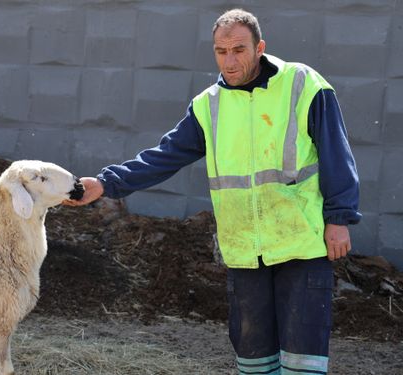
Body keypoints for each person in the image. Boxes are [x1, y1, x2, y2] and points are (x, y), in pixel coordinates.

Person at [64, 8, 360, 375]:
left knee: (302, 362)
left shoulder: (303, 85)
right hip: (244, 251)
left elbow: (336, 152)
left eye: (239, 49)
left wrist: (340, 218)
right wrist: (107, 183)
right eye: (221, 52)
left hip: (300, 242)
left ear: (260, 47)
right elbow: (164, 156)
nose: (230, 61)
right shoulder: (208, 106)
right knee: (253, 362)